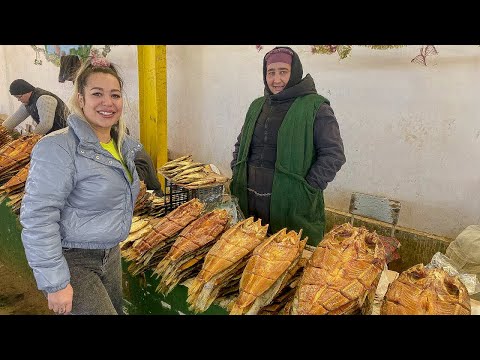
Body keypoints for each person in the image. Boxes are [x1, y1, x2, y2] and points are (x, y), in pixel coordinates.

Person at [19, 55, 142, 315]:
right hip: (72, 258)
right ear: (81, 99)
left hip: (110, 253)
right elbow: (38, 216)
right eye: (97, 93)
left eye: (115, 95)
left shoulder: (122, 145)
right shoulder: (57, 147)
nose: (108, 103)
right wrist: (55, 282)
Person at [230, 46, 346, 246]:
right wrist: (236, 167)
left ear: (295, 73)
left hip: (291, 203)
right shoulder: (257, 105)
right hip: (249, 200)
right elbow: (242, 142)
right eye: (271, 72)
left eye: (283, 72)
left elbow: (333, 154)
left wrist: (307, 188)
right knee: (248, 257)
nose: (276, 80)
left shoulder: (315, 108)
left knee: (287, 258)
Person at [2, 79, 69, 135]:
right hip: (54, 134)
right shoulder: (28, 101)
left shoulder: (43, 99)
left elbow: (45, 125)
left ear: (26, 92)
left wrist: (29, 139)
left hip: (65, 134)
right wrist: (2, 130)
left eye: (19, 97)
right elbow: (15, 119)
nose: (18, 100)